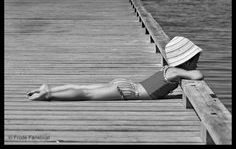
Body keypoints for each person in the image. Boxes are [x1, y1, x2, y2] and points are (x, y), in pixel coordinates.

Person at [27, 36, 204, 101]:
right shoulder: (175, 72)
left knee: (84, 87)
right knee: (86, 94)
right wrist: (189, 73)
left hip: (128, 85)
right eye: (195, 60)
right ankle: (48, 95)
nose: (196, 64)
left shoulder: (168, 69)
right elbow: (197, 75)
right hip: (129, 91)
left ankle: (48, 88)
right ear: (187, 61)